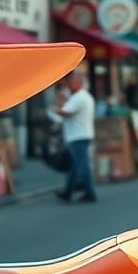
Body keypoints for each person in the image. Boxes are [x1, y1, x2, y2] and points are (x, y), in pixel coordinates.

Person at [51, 69, 97, 203]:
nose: (68, 84)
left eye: (70, 81)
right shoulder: (83, 96)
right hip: (81, 134)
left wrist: (54, 109)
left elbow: (65, 112)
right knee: (75, 165)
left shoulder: (79, 97)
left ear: (77, 82)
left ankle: (90, 192)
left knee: (82, 165)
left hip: (78, 135)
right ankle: (68, 191)